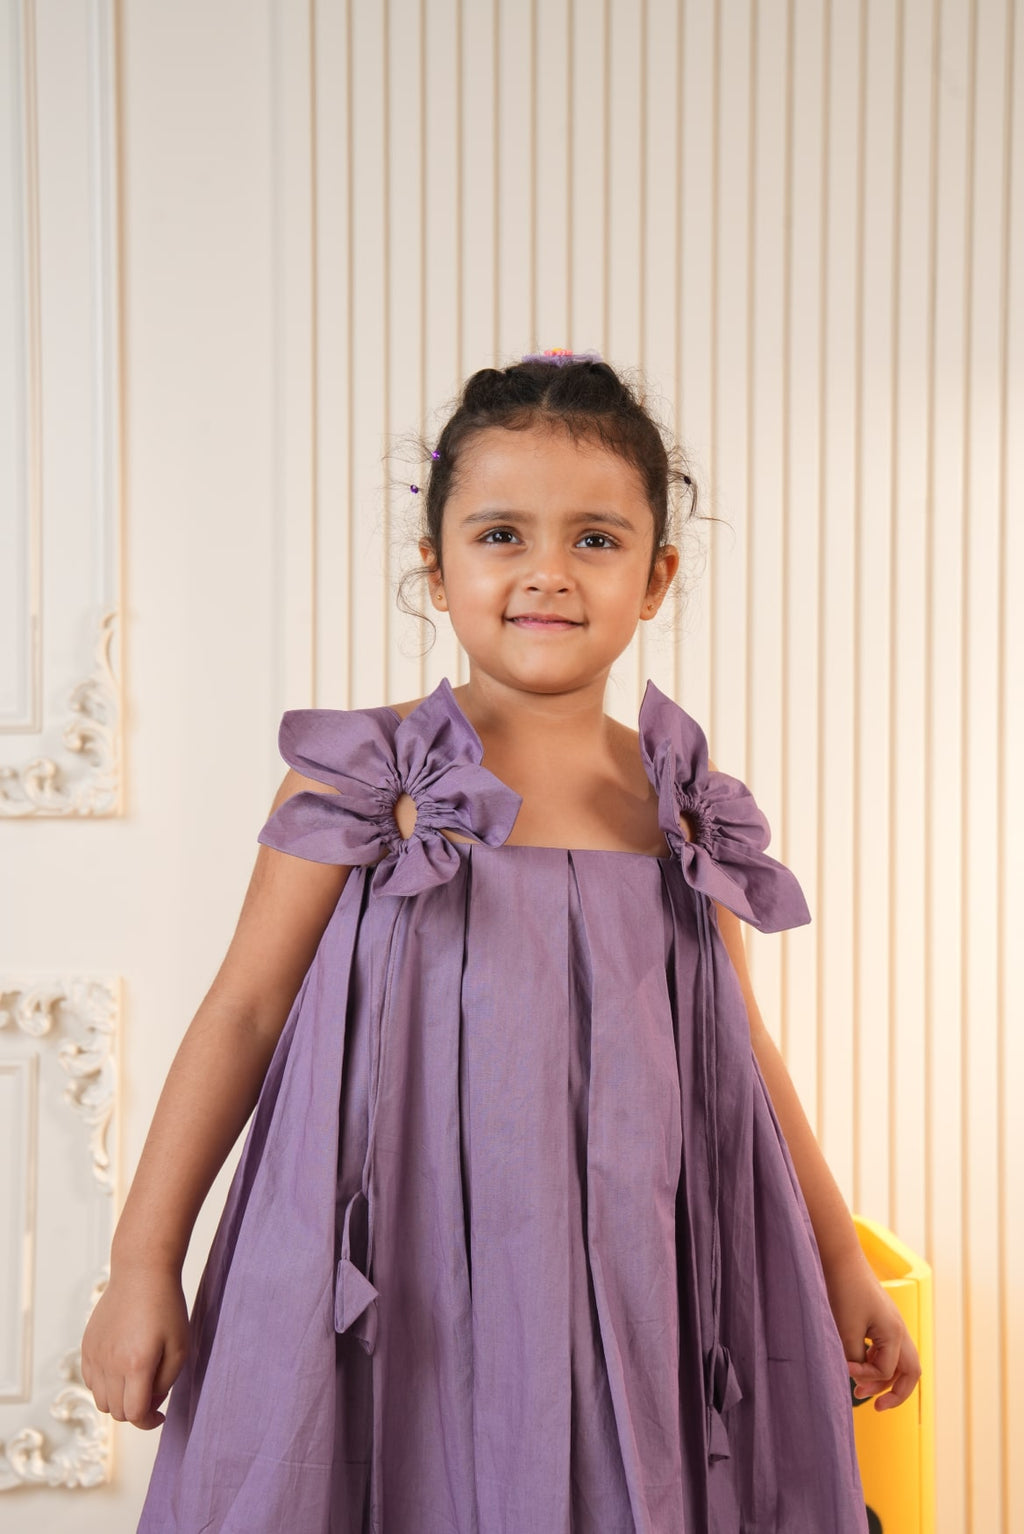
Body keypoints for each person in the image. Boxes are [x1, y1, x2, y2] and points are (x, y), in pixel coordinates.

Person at [82, 352, 920, 1533]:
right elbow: (244, 1012)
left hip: (635, 1280)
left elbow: (745, 1052)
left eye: (593, 539)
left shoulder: (682, 801)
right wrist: (140, 1261)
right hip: (398, 1280)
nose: (546, 573)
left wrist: (842, 1264)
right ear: (435, 568)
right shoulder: (366, 777)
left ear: (655, 574)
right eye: (499, 535)